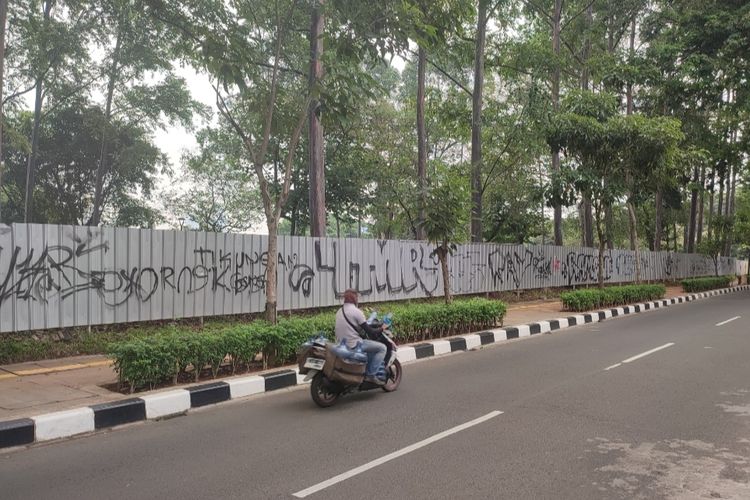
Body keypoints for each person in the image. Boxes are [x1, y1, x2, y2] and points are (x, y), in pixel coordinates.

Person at [335, 289, 387, 385]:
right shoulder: (356, 312)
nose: (358, 299)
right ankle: (371, 375)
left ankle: (366, 370)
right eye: (357, 297)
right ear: (354, 298)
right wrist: (382, 329)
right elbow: (370, 332)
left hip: (341, 345)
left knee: (370, 347)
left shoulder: (339, 311)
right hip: (354, 345)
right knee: (382, 348)